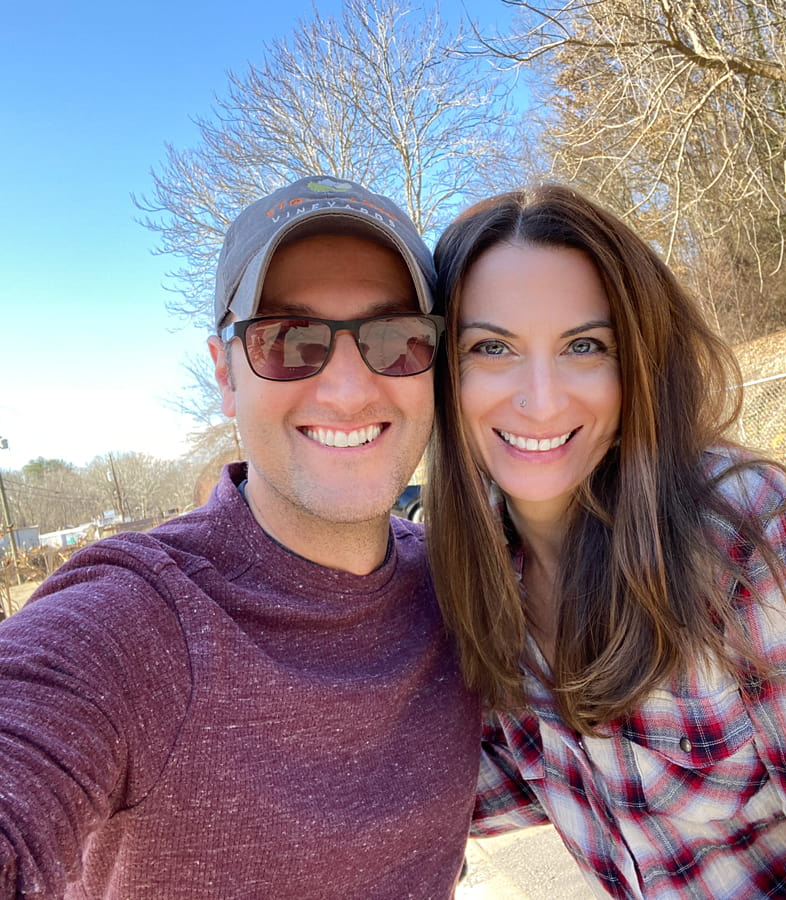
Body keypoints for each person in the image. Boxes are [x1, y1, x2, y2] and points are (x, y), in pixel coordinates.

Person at [0, 175, 481, 899]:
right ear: (225, 374)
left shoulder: (461, 590)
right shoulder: (135, 625)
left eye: (394, 338)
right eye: (287, 340)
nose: (349, 390)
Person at [426, 183, 786, 898]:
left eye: (585, 345)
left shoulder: (746, 541)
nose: (543, 398)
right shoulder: (468, 578)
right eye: (491, 348)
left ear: (639, 362)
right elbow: (454, 799)